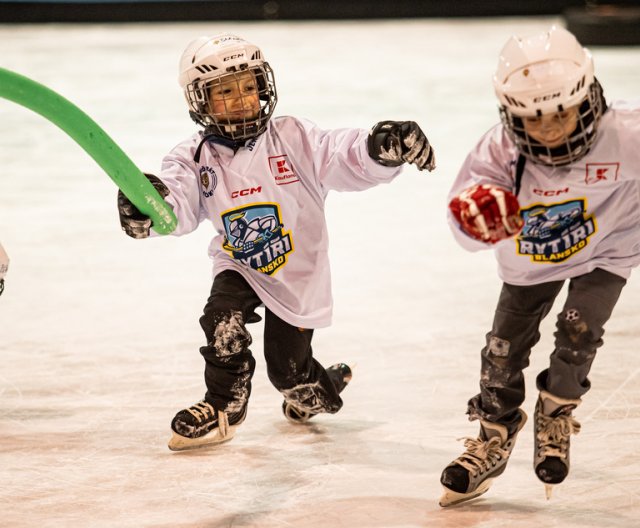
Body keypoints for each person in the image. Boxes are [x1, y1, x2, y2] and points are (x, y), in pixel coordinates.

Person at [117, 33, 435, 451]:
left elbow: (341, 154)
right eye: (225, 91)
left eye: (249, 86)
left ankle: (318, 391)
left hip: (297, 275)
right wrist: (149, 206)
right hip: (240, 264)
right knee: (221, 320)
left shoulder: (294, 137)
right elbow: (176, 203)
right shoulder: (193, 156)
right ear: (200, 100)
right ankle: (223, 404)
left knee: (289, 375)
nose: (242, 99)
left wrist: (379, 148)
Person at [439, 25, 640, 506]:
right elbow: (464, 216)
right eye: (533, 118)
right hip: (530, 263)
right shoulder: (498, 152)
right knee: (502, 350)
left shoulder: (628, 134)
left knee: (578, 332)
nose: (548, 129)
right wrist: (474, 218)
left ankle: (556, 410)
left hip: (607, 251)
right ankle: (494, 432)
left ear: (588, 98)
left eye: (560, 113)